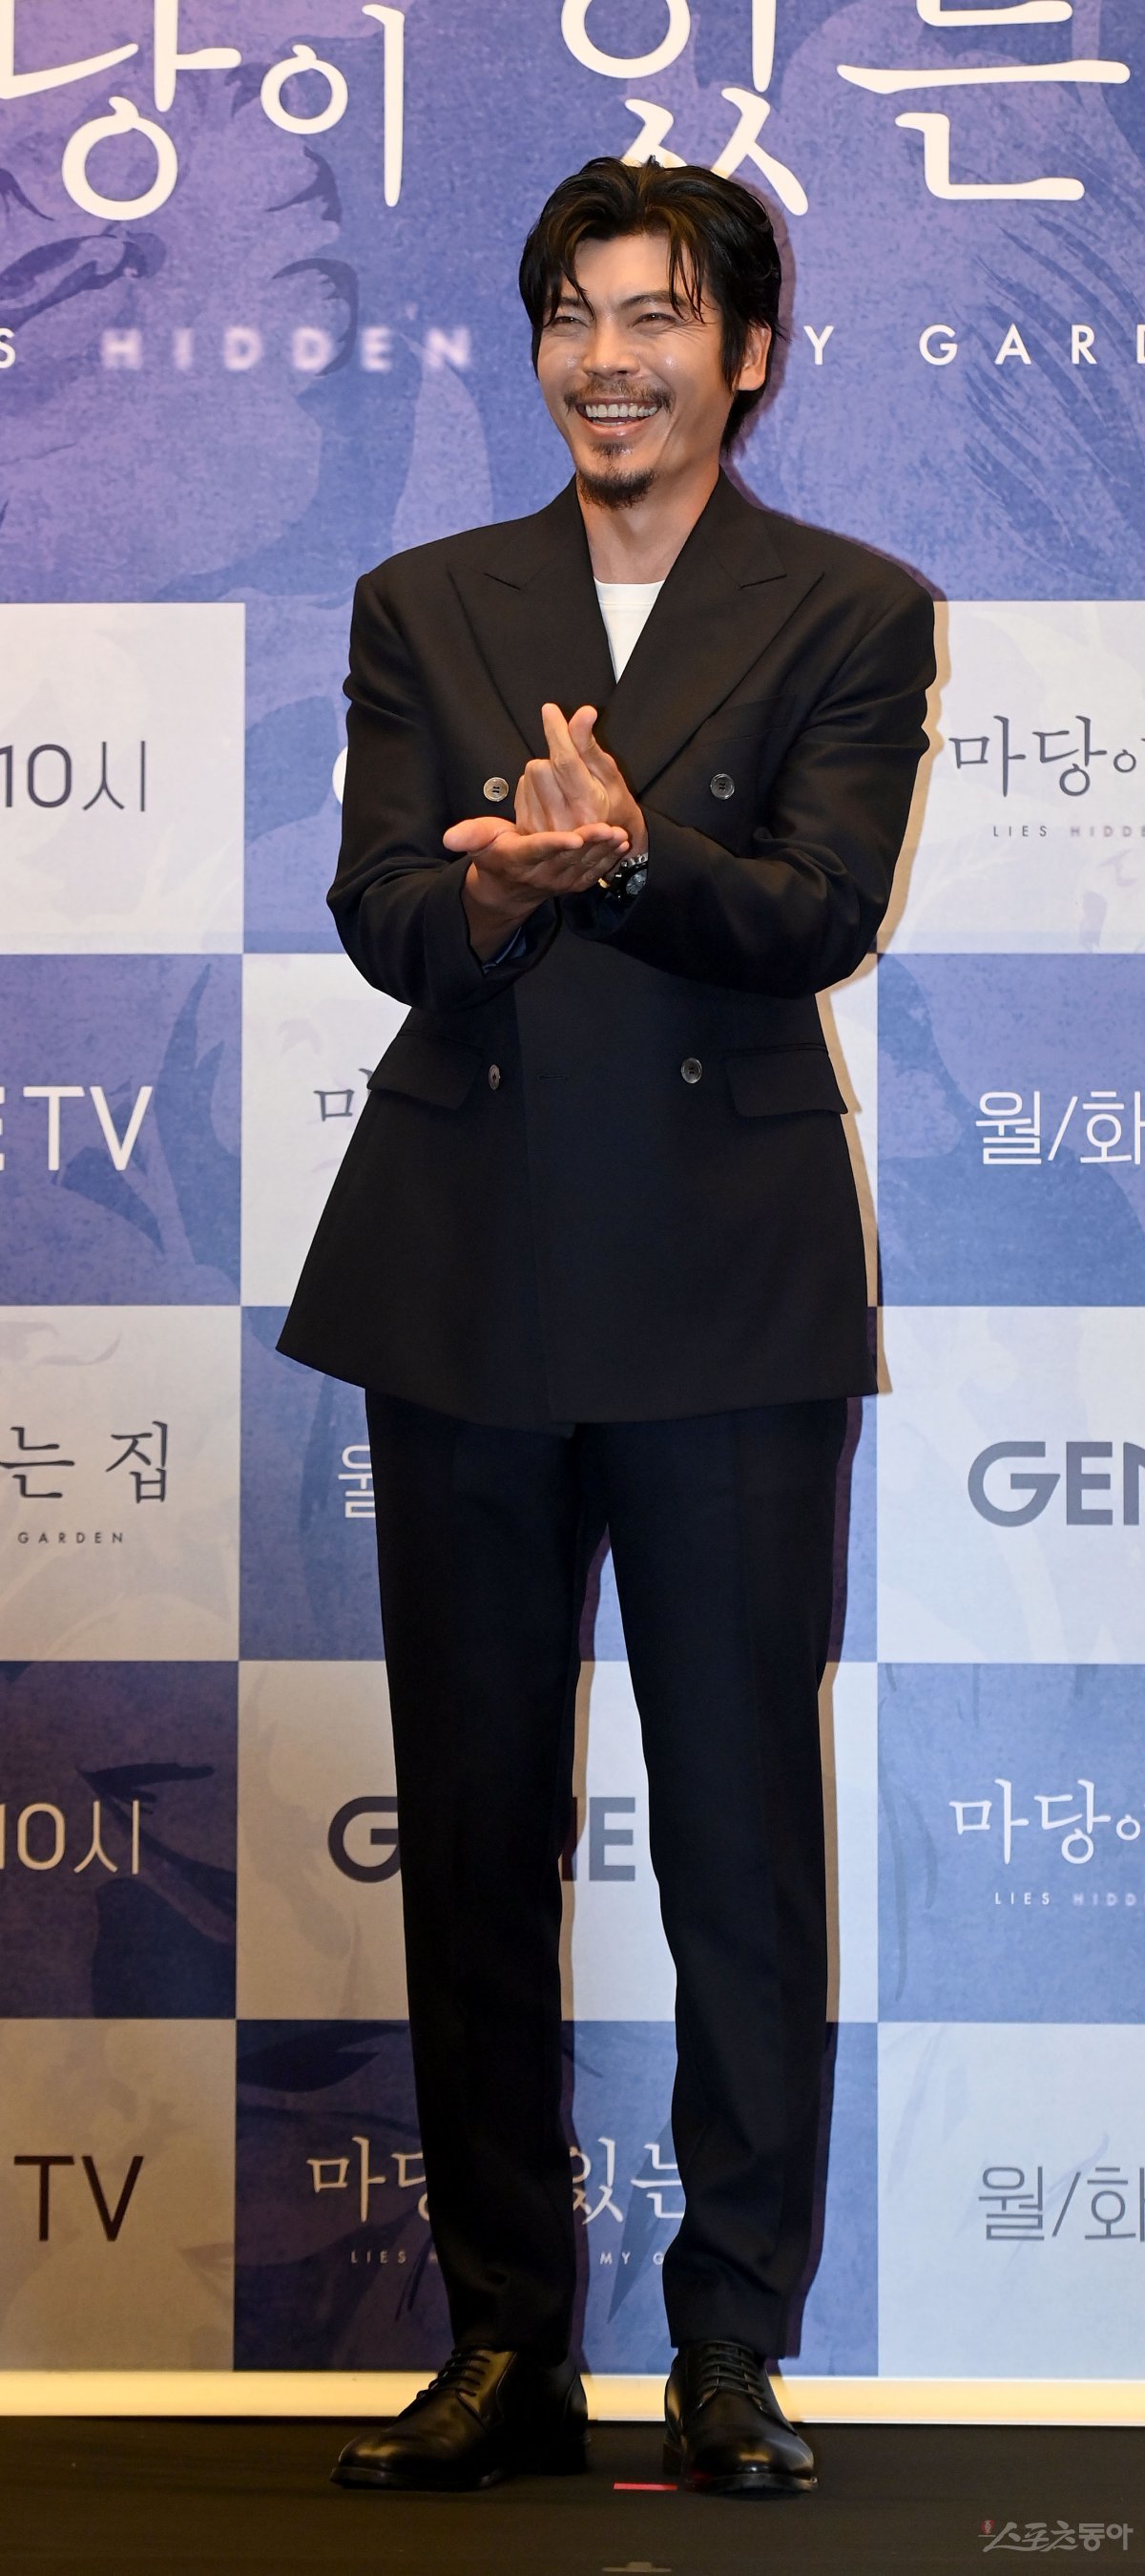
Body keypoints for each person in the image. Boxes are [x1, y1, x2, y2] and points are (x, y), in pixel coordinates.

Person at [279, 155, 935, 2499]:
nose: (606, 358)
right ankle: (505, 2343)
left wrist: (631, 857)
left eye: (656, 315)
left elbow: (819, 913)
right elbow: (381, 909)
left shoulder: (853, 606)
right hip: (462, 1267)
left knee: (740, 1835)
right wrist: (500, 892)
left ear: (745, 354)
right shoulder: (426, 601)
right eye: (570, 313)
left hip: (729, 1288)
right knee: (472, 1829)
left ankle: (733, 2344)